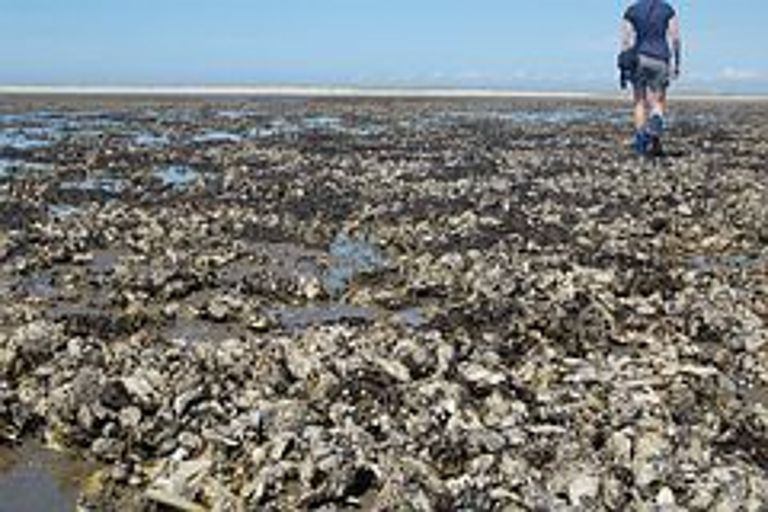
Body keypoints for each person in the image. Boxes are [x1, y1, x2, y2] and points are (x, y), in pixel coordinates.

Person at [621, 0, 681, 155]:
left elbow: (626, 41)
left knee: (639, 102)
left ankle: (641, 144)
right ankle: (655, 135)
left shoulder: (632, 10)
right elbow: (675, 38)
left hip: (639, 57)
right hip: (661, 58)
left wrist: (624, 66)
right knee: (658, 101)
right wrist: (677, 62)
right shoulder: (667, 9)